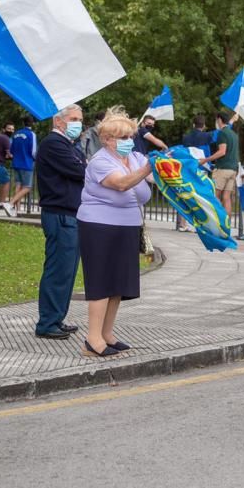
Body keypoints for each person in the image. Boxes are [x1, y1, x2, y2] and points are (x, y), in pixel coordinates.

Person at [77, 106, 152, 357]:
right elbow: (120, 184)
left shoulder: (135, 158)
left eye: (130, 137)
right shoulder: (100, 161)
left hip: (127, 225)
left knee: (118, 283)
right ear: (107, 140)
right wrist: (146, 169)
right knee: (101, 282)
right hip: (99, 226)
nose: (128, 142)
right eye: (122, 138)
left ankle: (107, 334)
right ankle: (92, 339)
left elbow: (153, 181)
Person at [34, 104, 85, 340]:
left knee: (67, 270)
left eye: (80, 119)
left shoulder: (68, 145)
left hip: (70, 214)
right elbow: (81, 171)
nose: (78, 123)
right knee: (58, 269)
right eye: (74, 118)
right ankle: (47, 322)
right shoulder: (53, 144)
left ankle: (56, 317)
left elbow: (82, 167)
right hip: (60, 214)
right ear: (58, 121)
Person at [176, 114, 216, 231]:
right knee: (200, 195)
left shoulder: (186, 137)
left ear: (193, 125)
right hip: (202, 168)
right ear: (203, 126)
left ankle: (183, 224)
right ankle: (198, 224)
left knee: (186, 193)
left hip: (188, 167)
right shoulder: (207, 136)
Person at [204, 111, 240, 221]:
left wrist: (205, 160)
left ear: (219, 120)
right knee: (226, 197)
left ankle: (217, 220)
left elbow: (222, 152)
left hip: (222, 168)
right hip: (233, 169)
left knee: (215, 195)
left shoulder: (222, 133)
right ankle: (227, 223)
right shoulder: (233, 134)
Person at [8, 116, 37, 212]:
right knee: (27, 187)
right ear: (32, 124)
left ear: (23, 123)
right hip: (27, 163)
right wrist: (35, 159)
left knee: (18, 185)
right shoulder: (31, 134)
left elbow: (11, 149)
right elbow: (33, 151)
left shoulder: (16, 134)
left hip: (16, 163)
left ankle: (17, 210)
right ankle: (10, 204)